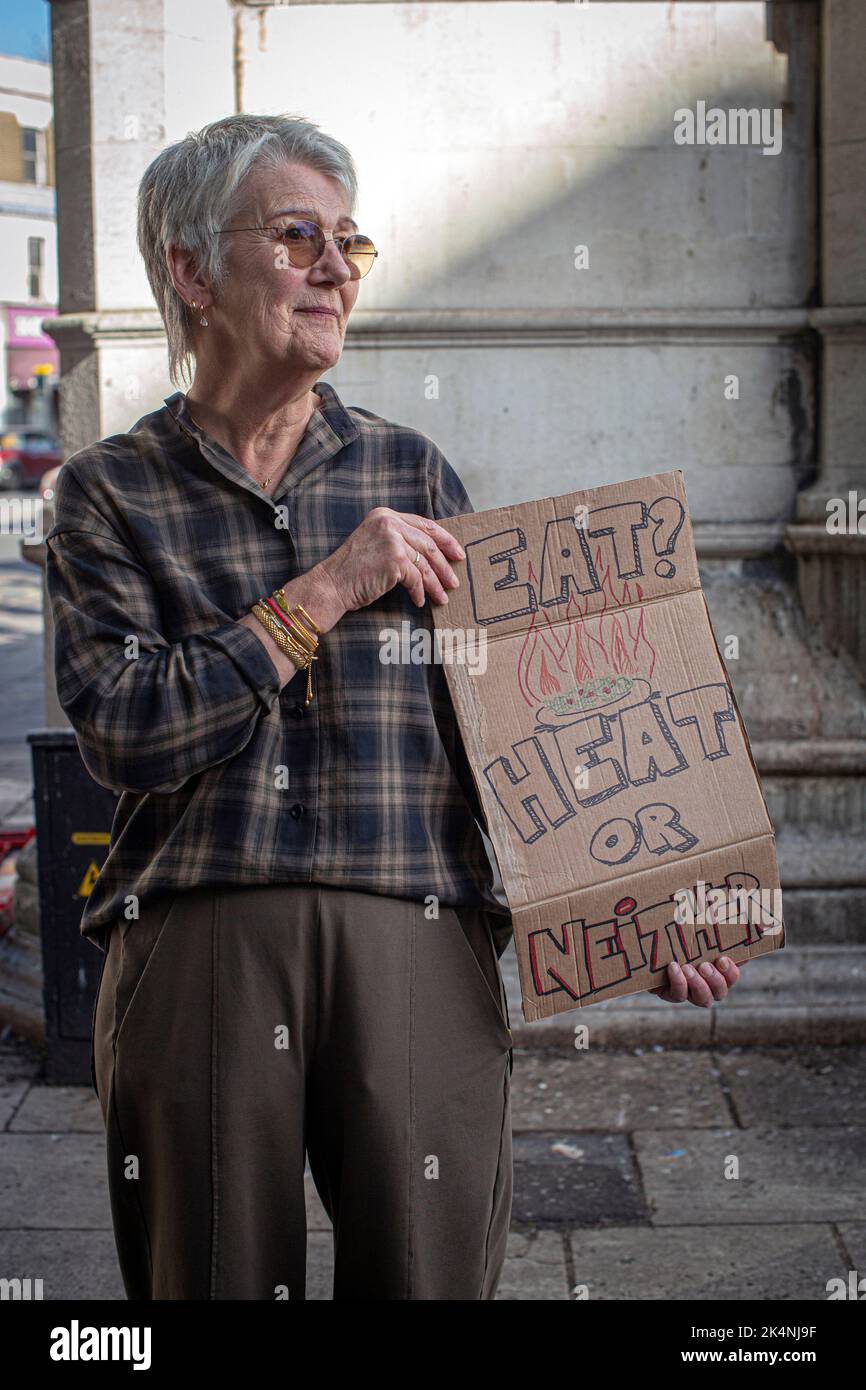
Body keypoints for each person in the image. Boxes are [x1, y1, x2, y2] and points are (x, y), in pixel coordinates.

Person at [44, 113, 741, 1302]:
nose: (334, 269)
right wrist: (323, 589)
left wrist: (634, 894)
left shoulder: (409, 469)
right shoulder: (105, 492)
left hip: (414, 921)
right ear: (191, 271)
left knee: (426, 1275)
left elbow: (500, 722)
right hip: (205, 930)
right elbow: (125, 730)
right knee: (204, 1275)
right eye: (298, 234)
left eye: (349, 243)